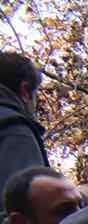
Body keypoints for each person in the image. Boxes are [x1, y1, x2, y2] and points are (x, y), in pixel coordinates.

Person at [0, 53, 46, 187]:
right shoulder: (14, 129)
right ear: (25, 91)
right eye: (35, 96)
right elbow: (31, 202)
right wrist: (81, 197)